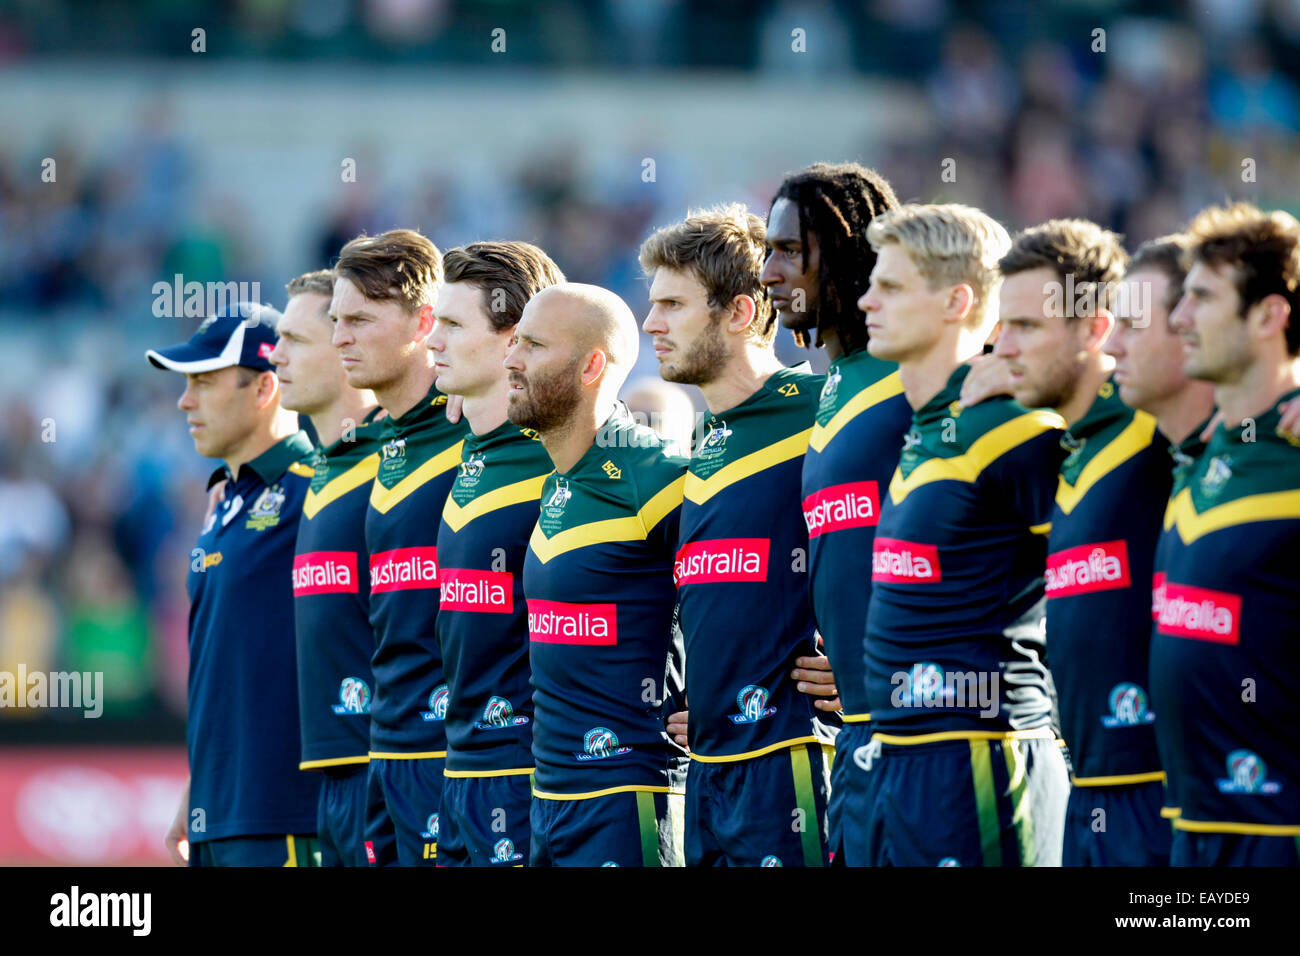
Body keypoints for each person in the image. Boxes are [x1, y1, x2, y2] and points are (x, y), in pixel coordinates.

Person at [856, 203, 1069, 866]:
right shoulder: (929, 428)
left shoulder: (1012, 426)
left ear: (956, 301)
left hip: (982, 755)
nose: (866, 302)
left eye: (890, 287)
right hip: (899, 759)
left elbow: (1111, 568)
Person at [987, 220, 1181, 866]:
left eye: (1026, 327)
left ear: (1096, 328)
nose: (1003, 346)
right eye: (1002, 325)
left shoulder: (1153, 425)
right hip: (1086, 796)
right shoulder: (1062, 446)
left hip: (1165, 803)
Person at [642, 204, 829, 867]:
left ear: (741, 313)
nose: (651, 323)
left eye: (672, 304)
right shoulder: (702, 444)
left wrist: (870, 660)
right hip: (709, 770)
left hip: (794, 764)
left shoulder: (824, 411)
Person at [508, 283, 687, 866]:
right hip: (548, 797)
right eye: (515, 342)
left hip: (631, 797)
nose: (512, 359)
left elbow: (760, 568)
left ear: (591, 366)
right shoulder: (557, 477)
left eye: (533, 346)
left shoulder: (656, 473)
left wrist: (830, 658)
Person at [763, 161, 910, 865]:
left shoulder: (919, 377)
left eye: (791, 250)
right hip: (855, 739)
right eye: (769, 251)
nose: (770, 273)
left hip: (930, 741)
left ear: (852, 251)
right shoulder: (831, 389)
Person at [1153, 202, 1300, 866]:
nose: (1179, 317)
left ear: (1269, 316)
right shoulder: (1204, 449)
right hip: (1191, 831)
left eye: (1204, 298)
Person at [150, 302, 322, 867]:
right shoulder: (226, 501)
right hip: (221, 811)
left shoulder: (318, 492)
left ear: (266, 387)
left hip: (286, 817)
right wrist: (200, 781)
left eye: (203, 381)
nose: (185, 400)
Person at [330, 229, 469, 865]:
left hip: (458, 756)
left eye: (360, 319)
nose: (340, 338)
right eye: (336, 321)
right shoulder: (379, 437)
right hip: (383, 752)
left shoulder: (478, 426)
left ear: (424, 322)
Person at [426, 241, 564, 866]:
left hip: (529, 776)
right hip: (457, 773)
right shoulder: (467, 445)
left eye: (454, 325)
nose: (433, 341)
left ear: (514, 340)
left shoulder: (561, 458)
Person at [268, 269, 395, 867]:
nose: (276, 355)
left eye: (295, 340)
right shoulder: (322, 467)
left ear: (348, 347)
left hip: (390, 767)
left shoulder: (395, 461)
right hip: (330, 775)